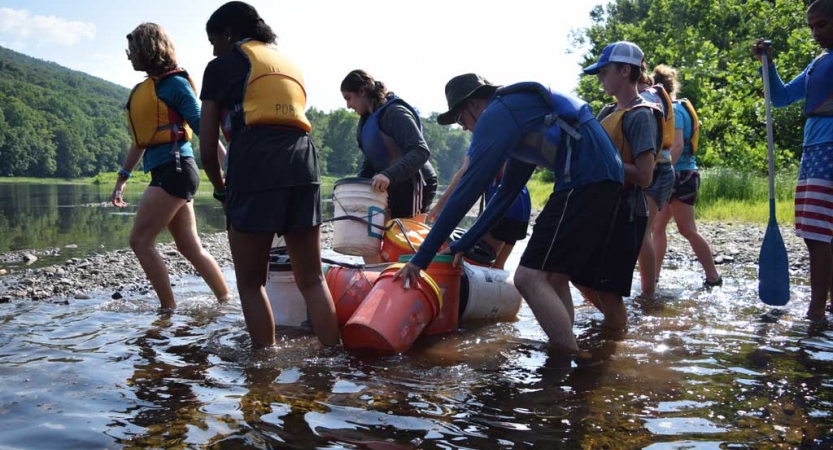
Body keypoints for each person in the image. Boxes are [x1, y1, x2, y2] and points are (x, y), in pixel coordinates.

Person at [395, 73, 624, 354]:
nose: (464, 128)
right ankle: (570, 352)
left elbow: (468, 189)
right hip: (606, 178)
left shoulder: (496, 114)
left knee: (527, 278)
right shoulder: (520, 115)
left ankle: (568, 357)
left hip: (585, 180)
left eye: (460, 119)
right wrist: (463, 244)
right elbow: (506, 193)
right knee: (553, 277)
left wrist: (421, 259)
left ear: (475, 104)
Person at [198, 1, 339, 348]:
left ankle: (263, 374)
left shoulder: (221, 66)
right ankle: (335, 361)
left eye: (214, 41)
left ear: (228, 33)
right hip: (304, 161)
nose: (213, 49)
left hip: (255, 162)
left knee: (250, 282)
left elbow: (206, 148)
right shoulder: (289, 63)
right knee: (311, 279)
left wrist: (220, 191)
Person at [112, 22, 231, 311]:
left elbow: (205, 128)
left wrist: (230, 165)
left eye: (133, 49)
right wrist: (123, 178)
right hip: (171, 171)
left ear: (147, 49)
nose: (129, 55)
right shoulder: (148, 90)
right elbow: (141, 141)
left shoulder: (174, 85)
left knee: (140, 240)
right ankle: (226, 300)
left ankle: (167, 309)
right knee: (189, 246)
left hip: (175, 170)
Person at [752, 0, 833, 322]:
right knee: (823, 234)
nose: (815, 32)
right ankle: (827, 307)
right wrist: (767, 65)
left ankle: (814, 315)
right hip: (813, 149)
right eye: (811, 26)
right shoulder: (817, 64)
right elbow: (782, 97)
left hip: (827, 149)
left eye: (822, 25)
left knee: (816, 235)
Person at [578, 41, 662, 329]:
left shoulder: (641, 115)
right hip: (604, 209)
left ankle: (616, 347)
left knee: (609, 292)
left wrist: (604, 162)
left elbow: (645, 175)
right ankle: (618, 329)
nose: (600, 77)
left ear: (625, 70)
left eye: (604, 71)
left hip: (627, 214)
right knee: (577, 274)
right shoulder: (607, 110)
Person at [651, 65, 722, 288]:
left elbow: (678, 145)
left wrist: (662, 173)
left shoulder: (674, 111)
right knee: (657, 228)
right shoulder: (673, 108)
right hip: (680, 174)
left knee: (687, 230)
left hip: (680, 176)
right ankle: (653, 277)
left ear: (657, 88)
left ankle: (713, 277)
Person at [341, 70, 435, 220]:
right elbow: (371, 161)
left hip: (415, 184)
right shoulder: (366, 120)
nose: (348, 106)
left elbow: (421, 151)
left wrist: (388, 174)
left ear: (362, 91)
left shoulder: (395, 113)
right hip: (392, 185)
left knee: (404, 237)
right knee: (385, 234)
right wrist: (357, 187)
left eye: (348, 98)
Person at [426, 147, 532, 270]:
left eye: (463, 125)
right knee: (498, 266)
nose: (464, 129)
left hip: (505, 207)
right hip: (521, 202)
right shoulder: (505, 132)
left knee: (478, 259)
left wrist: (440, 205)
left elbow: (465, 173)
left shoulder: (483, 138)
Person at [636, 73, 676, 298]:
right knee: (644, 232)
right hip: (661, 170)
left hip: (658, 171)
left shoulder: (649, 97)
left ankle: (648, 293)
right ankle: (647, 288)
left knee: (642, 232)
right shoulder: (653, 95)